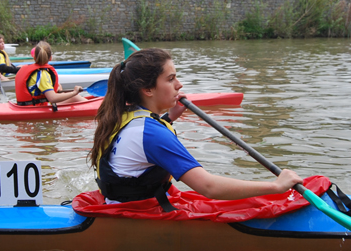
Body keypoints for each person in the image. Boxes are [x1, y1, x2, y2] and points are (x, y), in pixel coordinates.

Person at [88, 48, 303, 207]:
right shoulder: (152, 134)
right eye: (170, 79)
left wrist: (169, 118)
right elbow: (209, 188)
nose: (179, 85)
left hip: (122, 202)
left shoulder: (123, 116)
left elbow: (139, 145)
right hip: (136, 212)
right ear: (147, 89)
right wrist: (276, 187)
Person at [15, 41, 86, 106]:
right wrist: (74, 92)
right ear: (50, 58)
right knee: (75, 97)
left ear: (34, 57)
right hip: (36, 108)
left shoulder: (27, 68)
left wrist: (55, 90)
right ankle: (94, 109)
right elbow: (52, 98)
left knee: (69, 96)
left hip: (25, 105)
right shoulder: (42, 73)